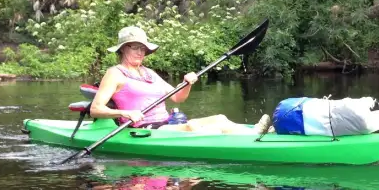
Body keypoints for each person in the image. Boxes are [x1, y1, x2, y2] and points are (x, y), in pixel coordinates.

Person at [89, 26, 272, 134]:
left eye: (143, 48)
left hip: (166, 124)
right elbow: (96, 109)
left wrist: (187, 84)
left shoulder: (149, 73)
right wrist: (125, 113)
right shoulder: (115, 73)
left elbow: (177, 98)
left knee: (219, 117)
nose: (140, 52)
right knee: (192, 126)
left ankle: (253, 132)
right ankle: (251, 138)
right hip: (144, 130)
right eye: (135, 47)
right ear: (123, 49)